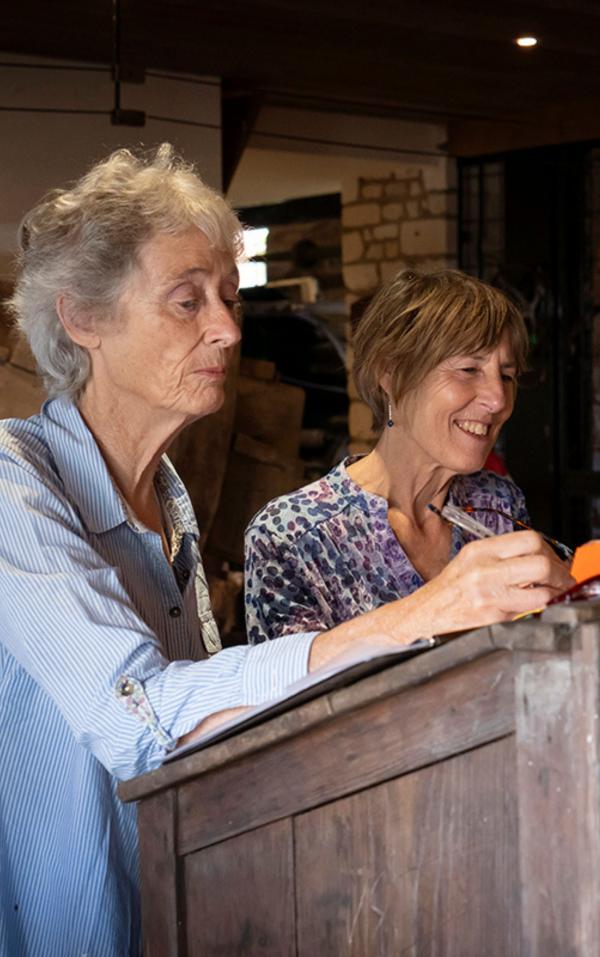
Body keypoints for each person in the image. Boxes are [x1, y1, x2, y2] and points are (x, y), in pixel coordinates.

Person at [0, 150, 570, 956]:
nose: (229, 329)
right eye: (187, 300)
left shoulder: (167, 502)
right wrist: (421, 614)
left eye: (228, 299)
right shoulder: (11, 486)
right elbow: (145, 720)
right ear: (83, 319)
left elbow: (219, 744)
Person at [244, 269, 574, 643]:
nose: (498, 400)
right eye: (469, 369)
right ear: (391, 372)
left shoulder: (495, 501)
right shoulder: (293, 536)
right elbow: (290, 694)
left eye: (507, 376)